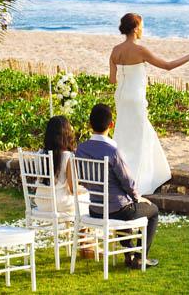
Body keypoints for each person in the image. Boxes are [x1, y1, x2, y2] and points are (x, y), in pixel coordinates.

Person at [109, 13, 189, 194]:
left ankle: (120, 177)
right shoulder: (140, 50)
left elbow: (112, 80)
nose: (143, 29)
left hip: (121, 98)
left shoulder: (115, 51)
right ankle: (138, 183)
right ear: (136, 28)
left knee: (123, 134)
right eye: (142, 25)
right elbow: (168, 65)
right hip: (136, 99)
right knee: (139, 137)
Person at [75, 103, 160, 269]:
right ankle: (140, 257)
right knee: (153, 211)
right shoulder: (112, 151)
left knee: (125, 207)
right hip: (117, 210)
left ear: (90, 124)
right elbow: (128, 182)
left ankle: (129, 254)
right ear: (111, 125)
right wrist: (138, 198)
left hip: (96, 210)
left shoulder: (81, 150)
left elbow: (83, 179)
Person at [36, 116, 85, 216]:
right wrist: (85, 190)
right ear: (66, 134)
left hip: (42, 202)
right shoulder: (68, 156)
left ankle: (76, 230)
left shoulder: (40, 153)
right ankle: (82, 230)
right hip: (60, 203)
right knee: (88, 200)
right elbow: (73, 189)